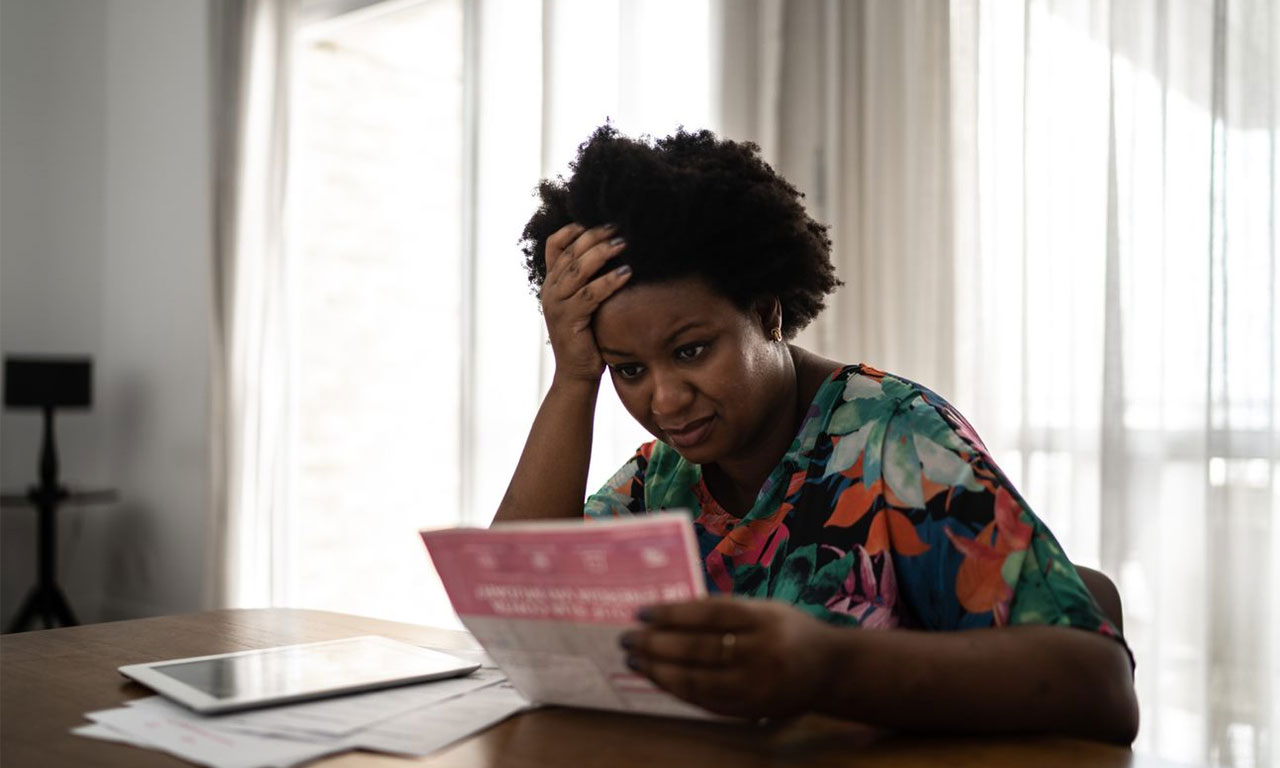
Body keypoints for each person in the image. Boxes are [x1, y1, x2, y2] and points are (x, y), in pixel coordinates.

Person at [494, 125, 1138, 744]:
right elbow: (514, 618)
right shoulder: (662, 477)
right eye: (629, 369)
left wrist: (828, 667)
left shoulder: (896, 441)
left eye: (691, 351)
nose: (664, 400)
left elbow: (1100, 684)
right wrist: (574, 378)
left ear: (767, 314)